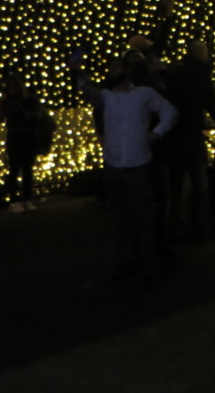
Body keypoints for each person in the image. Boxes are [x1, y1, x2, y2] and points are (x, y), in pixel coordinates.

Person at [73, 52, 177, 285]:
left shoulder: (143, 94)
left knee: (141, 217)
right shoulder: (108, 97)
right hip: (116, 162)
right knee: (122, 218)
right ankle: (131, 262)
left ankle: (148, 263)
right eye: (111, 68)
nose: (113, 72)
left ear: (128, 71)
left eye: (117, 68)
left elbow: (170, 112)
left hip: (136, 162)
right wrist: (79, 72)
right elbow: (88, 91)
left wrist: (155, 134)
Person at [162, 41, 215, 239]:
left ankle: (172, 223)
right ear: (203, 56)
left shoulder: (174, 75)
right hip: (191, 135)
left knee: (175, 182)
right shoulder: (202, 77)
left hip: (173, 135)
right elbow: (213, 105)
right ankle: (197, 224)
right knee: (199, 182)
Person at [0, 75, 50, 213]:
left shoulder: (29, 100)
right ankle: (15, 201)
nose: (15, 90)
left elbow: (38, 114)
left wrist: (32, 115)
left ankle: (26, 199)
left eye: (16, 86)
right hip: (15, 136)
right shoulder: (7, 102)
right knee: (14, 169)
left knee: (27, 169)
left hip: (27, 136)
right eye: (11, 87)